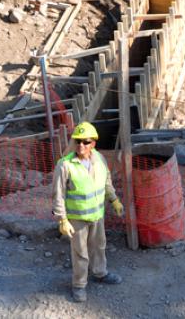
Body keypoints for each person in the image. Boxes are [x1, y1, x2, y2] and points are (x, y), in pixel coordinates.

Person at [52, 122, 124, 302]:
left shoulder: (99, 158)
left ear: (93, 144)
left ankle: (100, 273)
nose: (80, 146)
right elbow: (58, 194)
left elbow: (107, 181)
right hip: (77, 219)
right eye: (77, 141)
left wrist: (114, 199)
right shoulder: (65, 165)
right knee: (80, 253)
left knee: (99, 246)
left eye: (86, 142)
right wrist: (62, 219)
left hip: (97, 216)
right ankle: (79, 285)